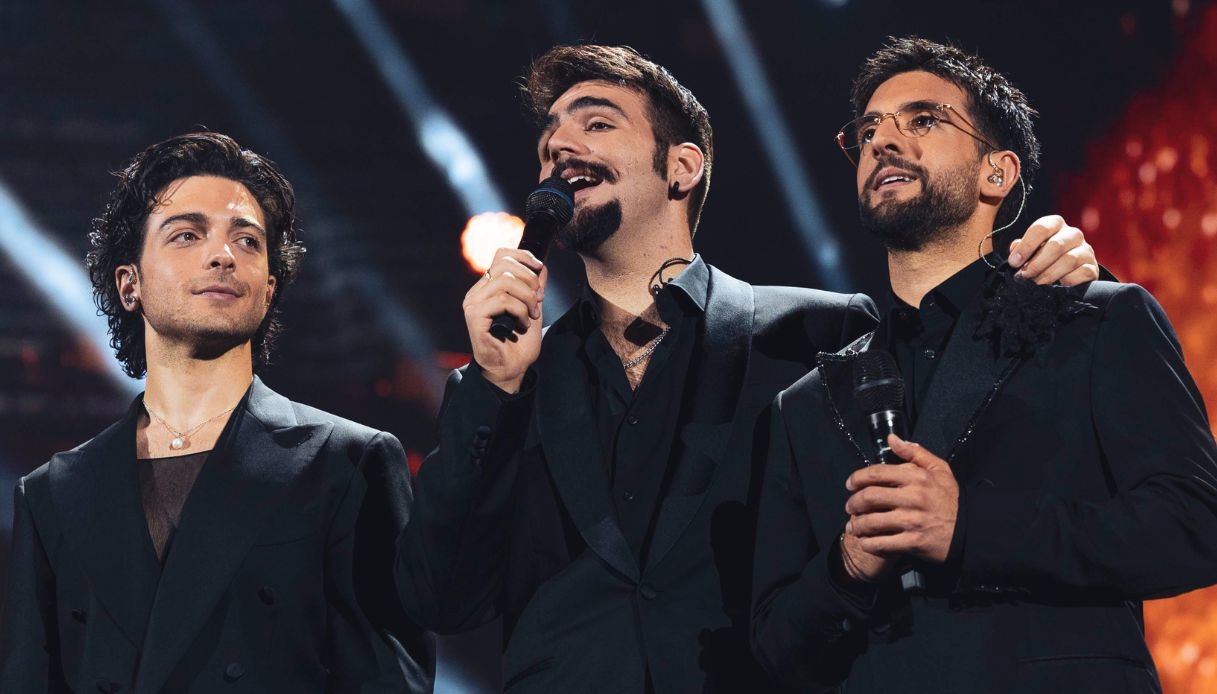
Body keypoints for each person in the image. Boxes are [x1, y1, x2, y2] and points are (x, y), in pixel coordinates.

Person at [396, 44, 1098, 692]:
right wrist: (494, 386)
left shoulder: (824, 334)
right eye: (548, 137)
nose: (558, 145)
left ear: (682, 167)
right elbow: (441, 599)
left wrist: (1043, 274)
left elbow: (962, 466)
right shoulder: (501, 384)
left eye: (598, 123)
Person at [750, 36, 1217, 693]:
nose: (883, 141)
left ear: (996, 173)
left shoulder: (1097, 321)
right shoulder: (807, 403)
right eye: (868, 130)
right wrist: (846, 566)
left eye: (922, 120)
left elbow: (1195, 526)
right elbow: (773, 644)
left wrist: (968, 528)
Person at [0, 132, 433, 693]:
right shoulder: (53, 493)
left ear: (269, 289)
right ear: (130, 285)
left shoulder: (348, 463)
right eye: (187, 234)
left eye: (247, 241)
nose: (223, 255)